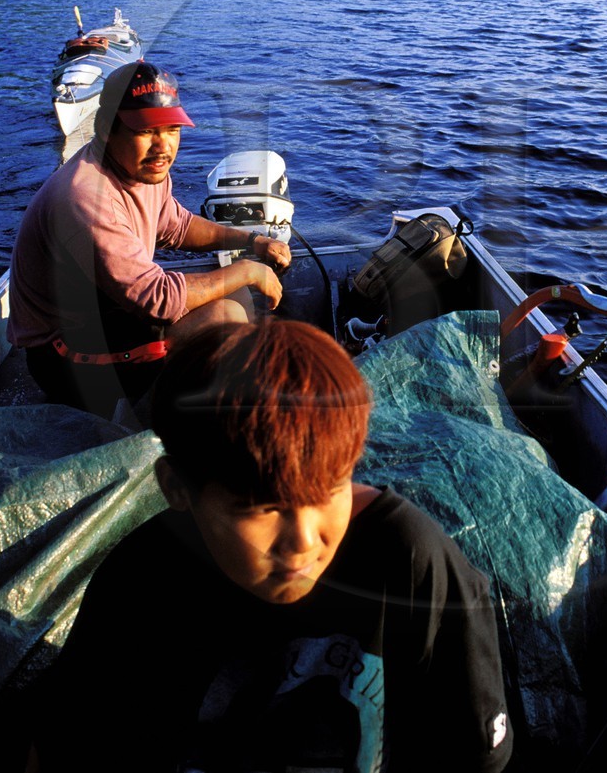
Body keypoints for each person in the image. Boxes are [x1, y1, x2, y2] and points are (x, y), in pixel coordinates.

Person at [34, 320, 515, 773]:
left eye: (329, 490)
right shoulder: (141, 582)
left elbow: (470, 756)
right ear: (177, 486)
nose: (304, 541)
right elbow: (77, 745)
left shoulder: (412, 561)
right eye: (261, 508)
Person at [7, 59, 291, 417]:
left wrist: (252, 242)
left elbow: (178, 226)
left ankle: (212, 395)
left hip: (107, 317)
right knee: (223, 316)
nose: (163, 147)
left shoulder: (142, 170)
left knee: (233, 295)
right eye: (146, 131)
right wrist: (250, 270)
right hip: (63, 357)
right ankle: (146, 424)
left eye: (172, 129)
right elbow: (156, 299)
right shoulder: (85, 198)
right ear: (108, 129)